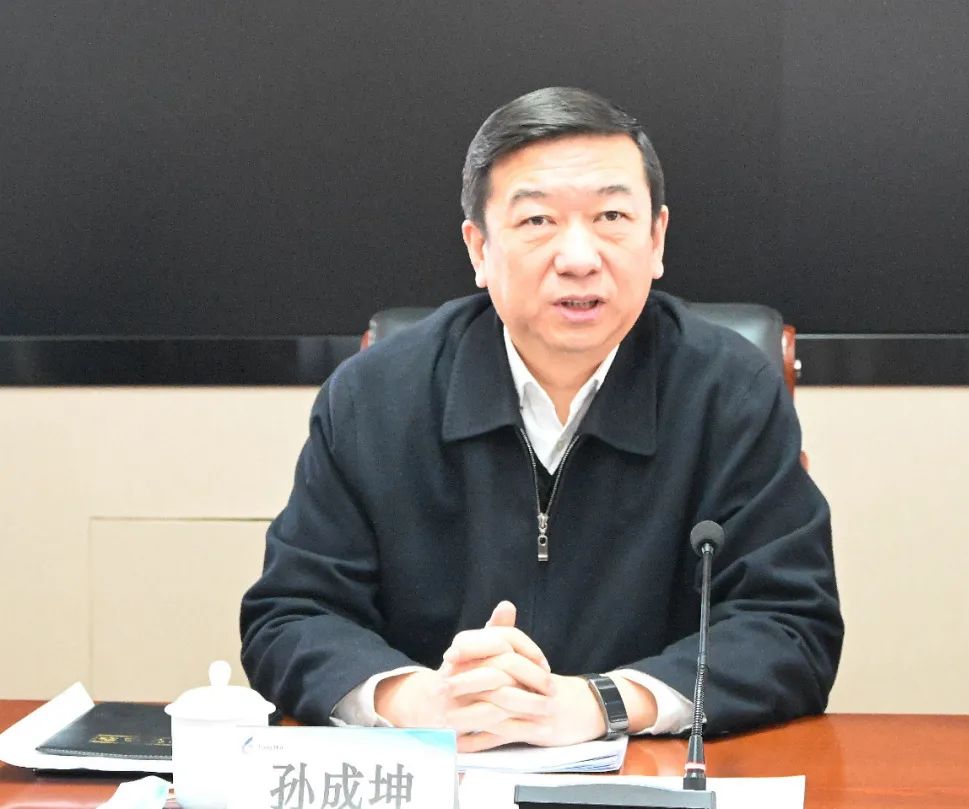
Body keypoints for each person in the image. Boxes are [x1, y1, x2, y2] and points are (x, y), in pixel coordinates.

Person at [240, 86, 843, 751]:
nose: (579, 258)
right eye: (537, 220)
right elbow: (290, 615)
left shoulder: (731, 394)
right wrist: (418, 700)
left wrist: (600, 703)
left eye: (611, 215)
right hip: (442, 774)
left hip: (649, 775)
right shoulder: (373, 397)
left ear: (656, 238)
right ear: (478, 248)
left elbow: (790, 626)